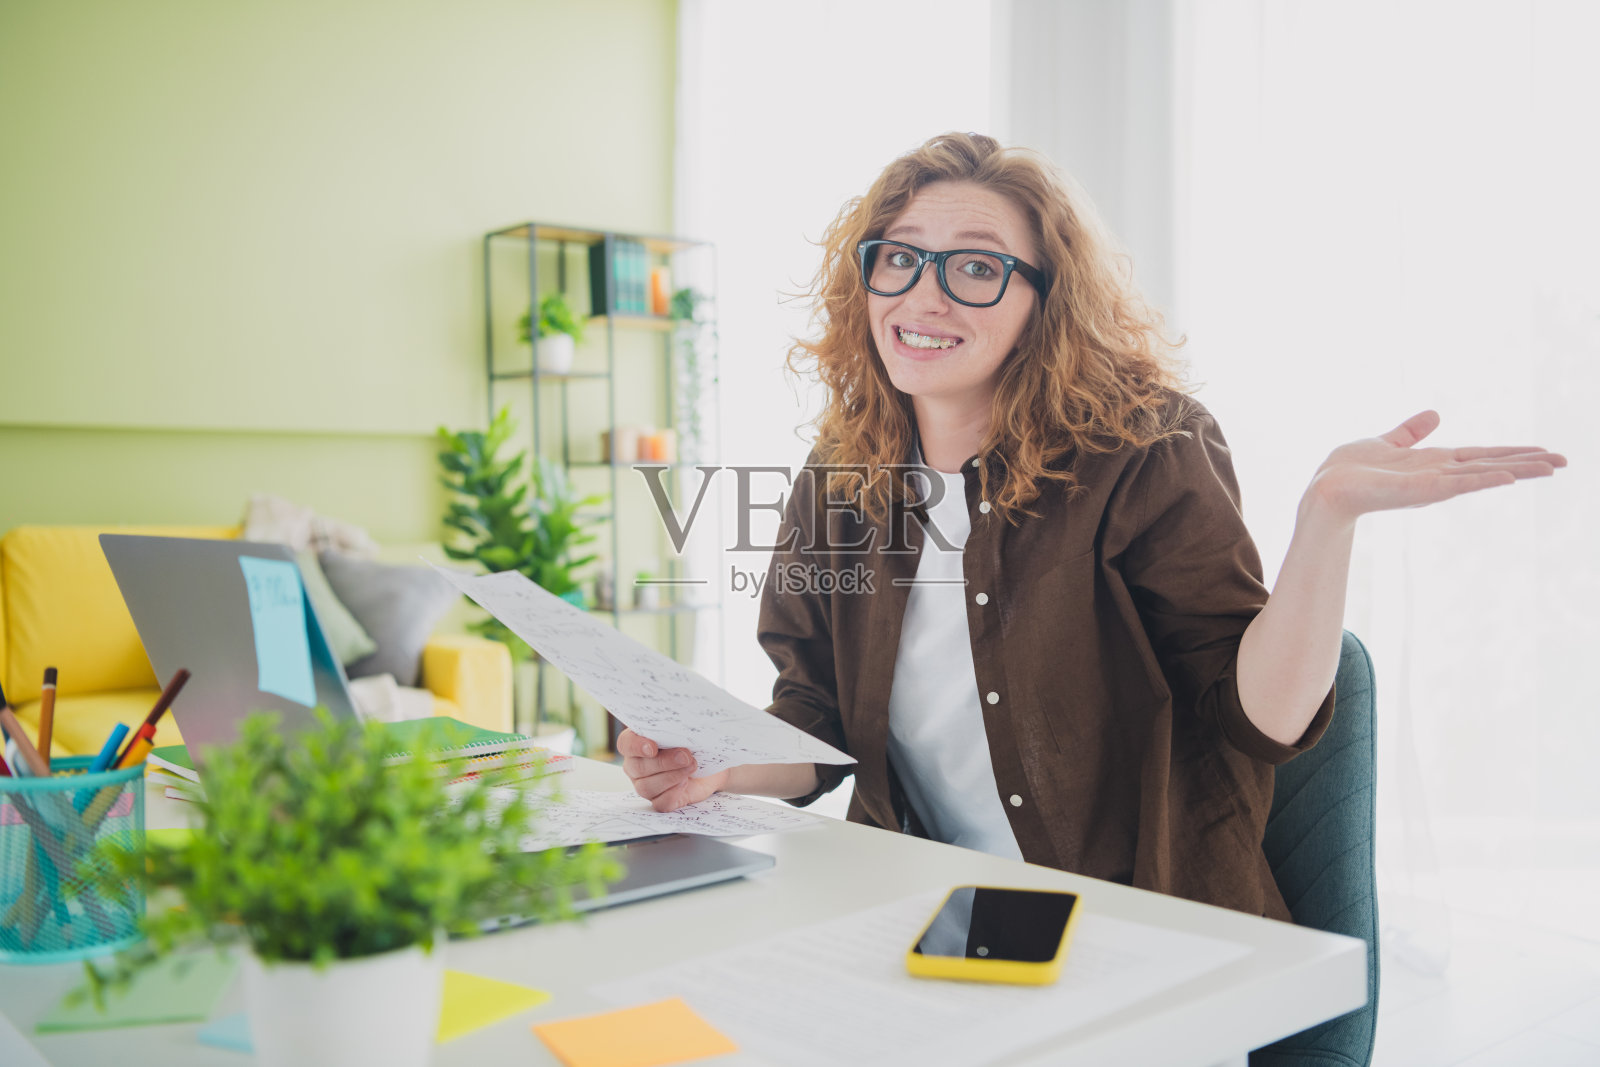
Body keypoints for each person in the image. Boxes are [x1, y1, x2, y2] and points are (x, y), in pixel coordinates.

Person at [618, 132, 1566, 918]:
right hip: (921, 915)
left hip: (1140, 924)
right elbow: (819, 720)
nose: (925, 293)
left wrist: (1326, 520)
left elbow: (1261, 721)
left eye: (977, 267)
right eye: (900, 256)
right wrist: (721, 763)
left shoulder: (1147, 450)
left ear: (1046, 301)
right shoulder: (842, 475)